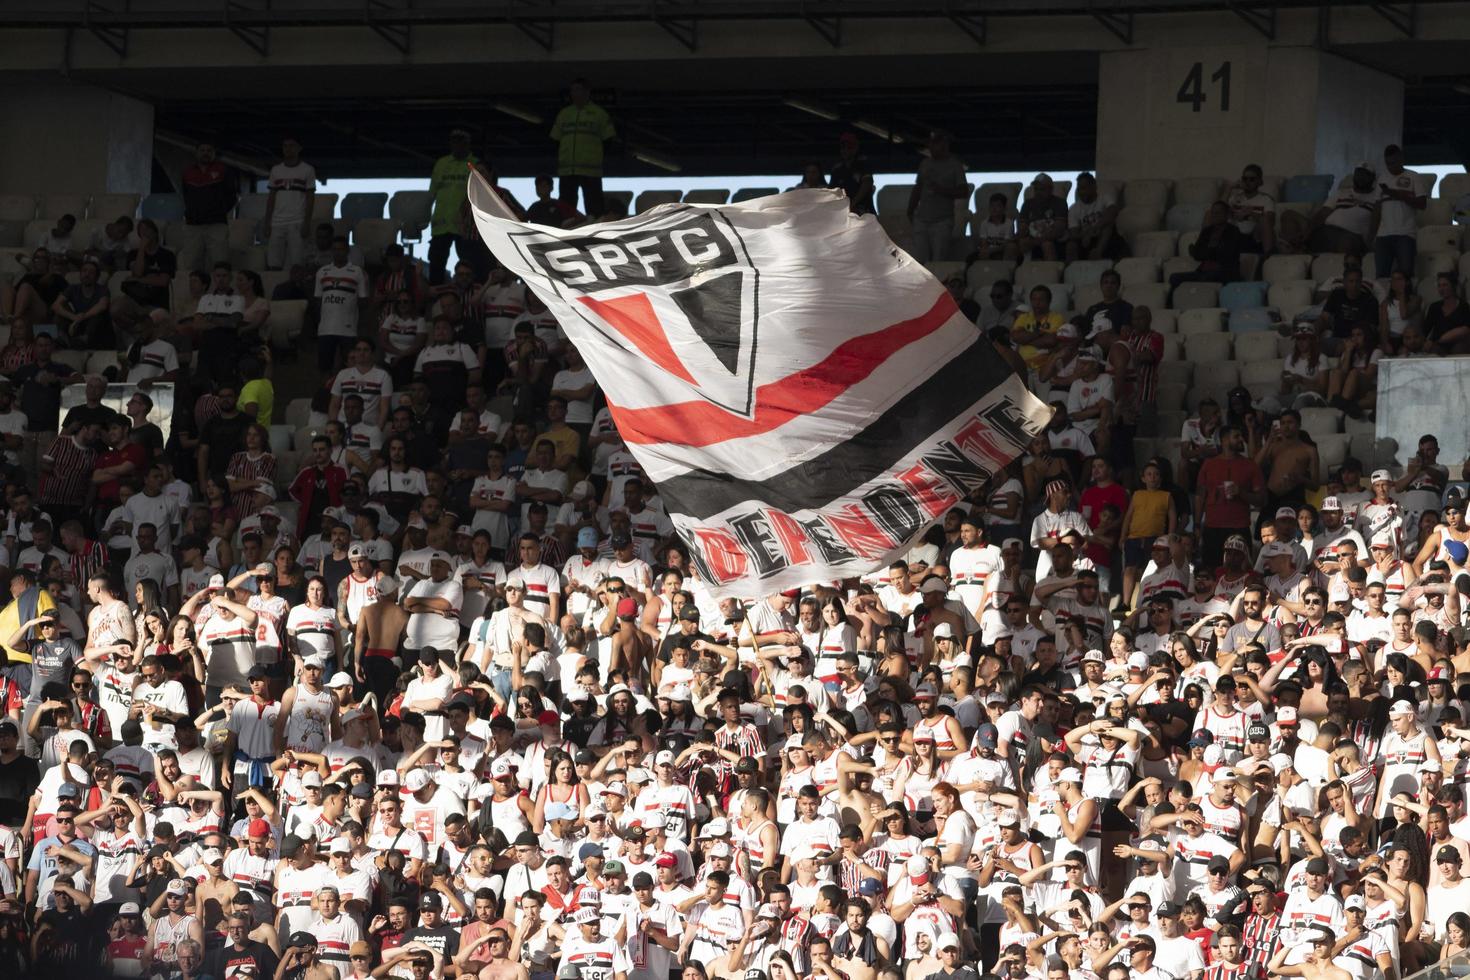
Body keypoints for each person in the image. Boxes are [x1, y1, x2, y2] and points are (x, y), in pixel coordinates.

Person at [550, 78, 616, 218]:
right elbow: (554, 140)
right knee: (566, 209)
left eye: (578, 90)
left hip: (591, 171)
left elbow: (609, 140)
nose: (575, 93)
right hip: (567, 170)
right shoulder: (564, 114)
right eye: (573, 90)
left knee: (595, 209)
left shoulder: (599, 114)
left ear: (587, 92)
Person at [905, 131, 966, 263]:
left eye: (935, 144)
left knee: (938, 260)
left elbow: (963, 191)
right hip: (921, 219)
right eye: (931, 144)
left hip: (942, 221)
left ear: (944, 145)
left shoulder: (955, 165)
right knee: (920, 260)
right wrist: (910, 210)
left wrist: (942, 190)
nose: (932, 147)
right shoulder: (925, 163)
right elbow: (918, 187)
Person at [264, 137, 316, 272]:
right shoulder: (275, 170)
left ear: (299, 148)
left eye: (292, 146)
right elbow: (271, 197)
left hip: (297, 221)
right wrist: (267, 222)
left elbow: (310, 198)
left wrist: (307, 222)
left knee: (297, 262)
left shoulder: (308, 169)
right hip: (276, 222)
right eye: (285, 146)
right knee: (274, 262)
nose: (288, 149)